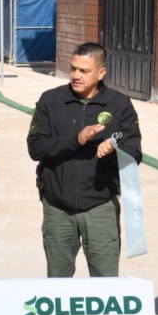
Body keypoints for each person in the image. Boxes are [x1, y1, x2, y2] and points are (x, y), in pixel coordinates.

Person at [26, 42, 142, 278]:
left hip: (100, 208)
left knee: (105, 284)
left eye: (84, 70)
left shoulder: (119, 104)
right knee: (58, 284)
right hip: (58, 209)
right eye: (73, 68)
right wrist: (76, 140)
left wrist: (114, 149)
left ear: (101, 73)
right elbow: (35, 148)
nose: (76, 75)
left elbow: (135, 153)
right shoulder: (51, 101)